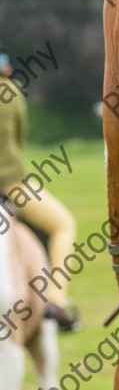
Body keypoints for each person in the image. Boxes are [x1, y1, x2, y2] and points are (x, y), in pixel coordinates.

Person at [0, 48, 79, 331]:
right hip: (9, 183)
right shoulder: (11, 91)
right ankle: (56, 300)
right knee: (63, 224)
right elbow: (18, 139)